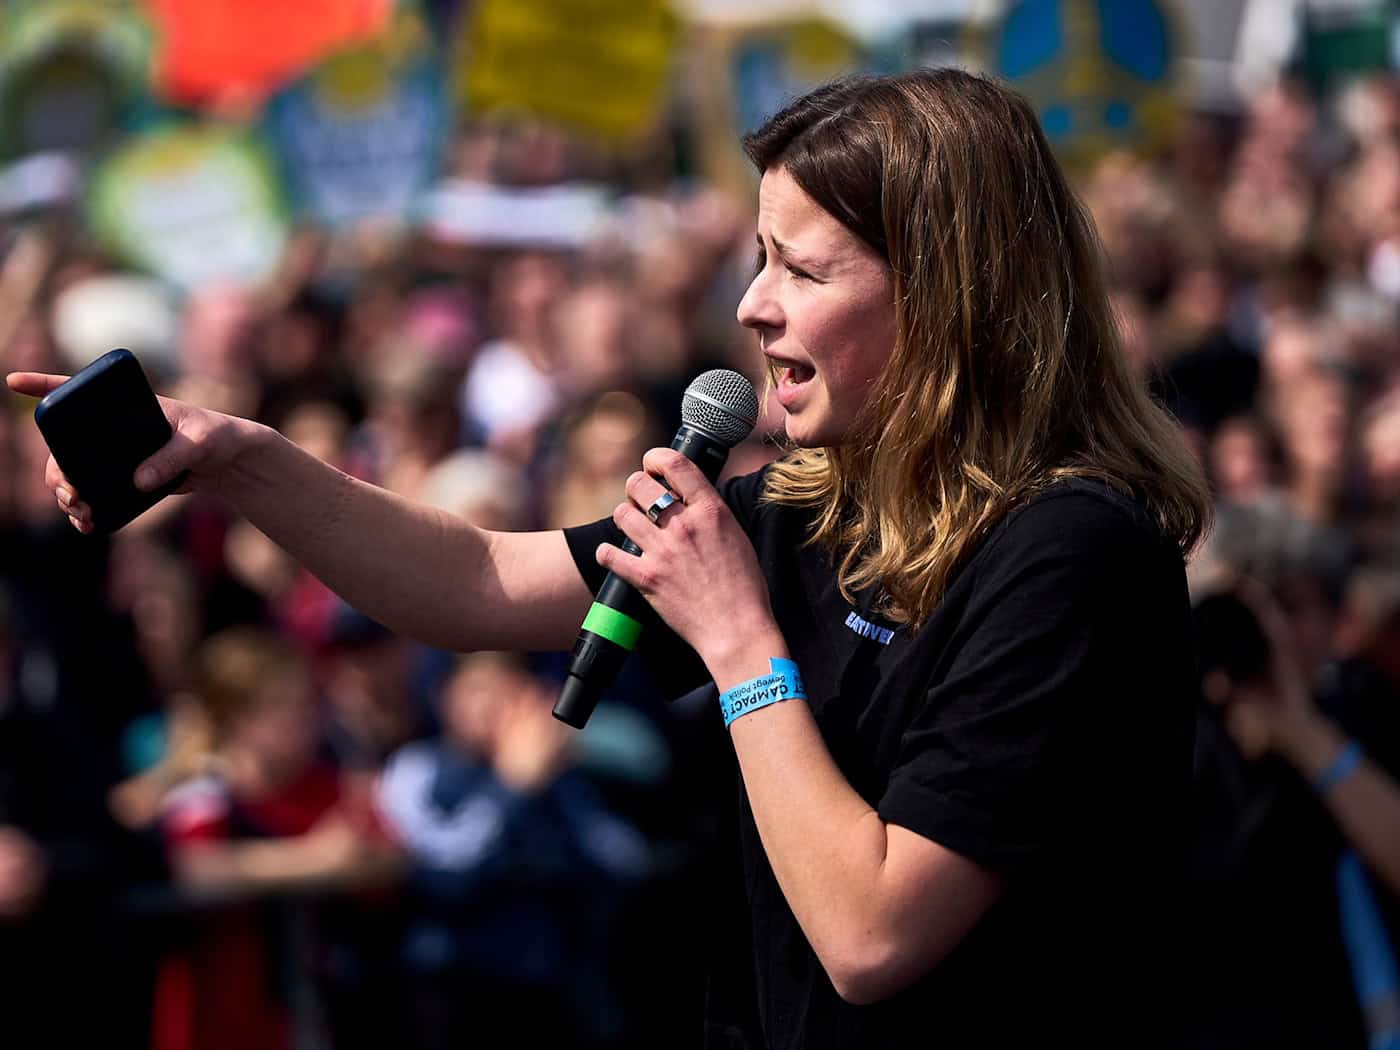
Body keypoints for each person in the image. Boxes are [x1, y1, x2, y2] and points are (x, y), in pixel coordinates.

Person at [12, 70, 1214, 1046]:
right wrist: (243, 461)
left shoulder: (1070, 549)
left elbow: (872, 936)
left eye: (802, 269)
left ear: (949, 295)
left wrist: (738, 638)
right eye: (758, 257)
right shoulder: (807, 507)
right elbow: (472, 583)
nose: (752, 305)